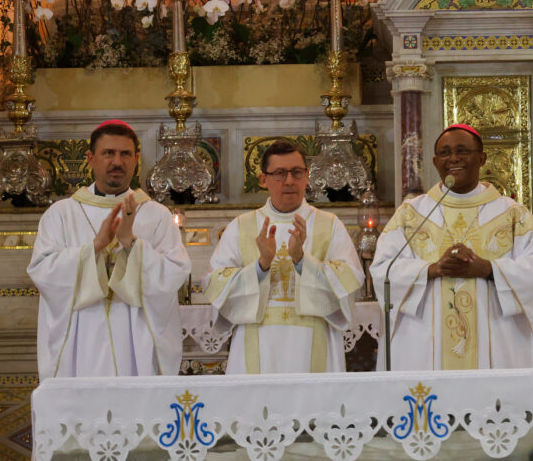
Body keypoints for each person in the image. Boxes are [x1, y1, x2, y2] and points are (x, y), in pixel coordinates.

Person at [371, 124, 533, 370]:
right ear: (435, 162)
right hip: (424, 346)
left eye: (462, 151)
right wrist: (432, 269)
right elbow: (383, 269)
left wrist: (489, 269)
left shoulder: (513, 215)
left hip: (497, 342)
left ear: (482, 158)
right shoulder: (412, 213)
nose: (453, 158)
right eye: (444, 153)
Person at [28, 120, 190, 380]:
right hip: (82, 342)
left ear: (136, 159)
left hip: (136, 339)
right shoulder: (61, 214)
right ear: (91, 159)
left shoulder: (156, 215)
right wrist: (94, 247)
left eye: (125, 154)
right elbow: (42, 271)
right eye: (108, 153)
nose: (117, 161)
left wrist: (131, 243)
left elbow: (174, 274)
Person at [205, 140, 364, 373]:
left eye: (297, 172)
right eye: (279, 173)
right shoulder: (241, 227)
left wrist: (301, 259)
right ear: (263, 180)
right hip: (256, 340)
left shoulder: (329, 225)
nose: (289, 181)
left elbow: (350, 281)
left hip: (314, 340)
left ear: (307, 176)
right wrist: (262, 265)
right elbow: (215, 284)